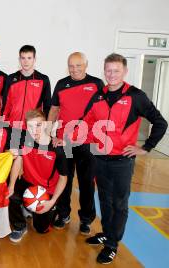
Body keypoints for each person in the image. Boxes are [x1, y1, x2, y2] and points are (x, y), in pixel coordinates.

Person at [75, 53, 167, 264]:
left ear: (125, 71)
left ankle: (112, 245)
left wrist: (146, 147)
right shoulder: (98, 96)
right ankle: (108, 234)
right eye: (108, 70)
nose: (112, 74)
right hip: (100, 159)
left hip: (122, 162)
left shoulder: (136, 96)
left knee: (119, 204)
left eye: (116, 70)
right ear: (104, 71)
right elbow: (85, 123)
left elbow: (160, 122)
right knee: (105, 201)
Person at [47, 52, 104, 234]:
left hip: (88, 143)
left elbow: (103, 111)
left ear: (86, 65)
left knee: (87, 183)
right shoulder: (62, 84)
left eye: (78, 65)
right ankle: (63, 214)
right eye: (71, 65)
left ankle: (86, 219)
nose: (75, 69)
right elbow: (54, 110)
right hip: (65, 142)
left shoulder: (96, 84)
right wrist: (50, 132)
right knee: (65, 179)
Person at [7, 109, 67, 243]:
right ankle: (20, 226)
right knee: (10, 194)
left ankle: (54, 209)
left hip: (47, 189)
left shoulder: (56, 148)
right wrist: (11, 187)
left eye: (38, 125)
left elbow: (64, 178)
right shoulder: (23, 139)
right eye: (30, 127)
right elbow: (18, 160)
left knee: (41, 229)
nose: (35, 130)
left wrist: (52, 201)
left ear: (45, 124)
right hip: (28, 182)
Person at [2, 45, 51, 130]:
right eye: (23, 58)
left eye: (29, 58)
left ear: (34, 59)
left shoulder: (43, 79)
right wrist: (4, 124)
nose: (26, 61)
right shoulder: (11, 78)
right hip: (12, 127)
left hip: (33, 128)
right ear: (19, 60)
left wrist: (45, 128)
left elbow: (47, 107)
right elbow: (5, 104)